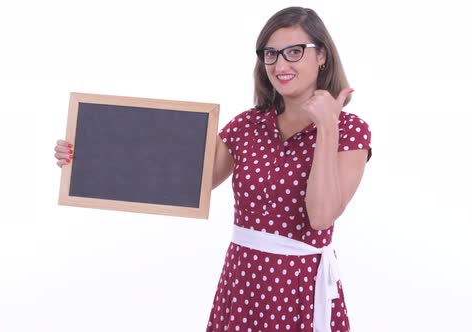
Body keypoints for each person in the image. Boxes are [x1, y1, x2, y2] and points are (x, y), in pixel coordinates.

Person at [54, 6, 371, 332]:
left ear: (322, 56)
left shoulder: (350, 131)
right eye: (271, 54)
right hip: (243, 281)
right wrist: (86, 156)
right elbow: (181, 179)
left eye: (294, 51)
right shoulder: (248, 125)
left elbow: (321, 217)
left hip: (301, 287)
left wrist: (327, 127)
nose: (281, 64)